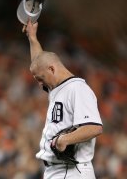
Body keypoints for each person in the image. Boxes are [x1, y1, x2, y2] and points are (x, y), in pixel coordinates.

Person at [22, 20, 103, 179]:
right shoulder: (57, 87)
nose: (39, 83)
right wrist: (32, 38)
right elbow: (39, 62)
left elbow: (94, 127)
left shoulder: (78, 89)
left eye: (41, 78)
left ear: (52, 69)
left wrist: (65, 139)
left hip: (71, 170)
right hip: (59, 170)